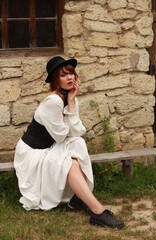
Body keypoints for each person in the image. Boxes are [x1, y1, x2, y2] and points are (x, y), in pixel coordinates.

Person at [14, 56, 124, 229]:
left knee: (78, 143)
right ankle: (96, 211)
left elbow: (78, 131)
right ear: (56, 80)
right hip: (32, 153)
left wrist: (72, 104)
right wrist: (70, 108)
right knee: (70, 162)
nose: (70, 78)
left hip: (50, 146)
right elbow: (61, 136)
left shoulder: (70, 97)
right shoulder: (53, 101)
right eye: (64, 75)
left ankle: (83, 201)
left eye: (71, 74)